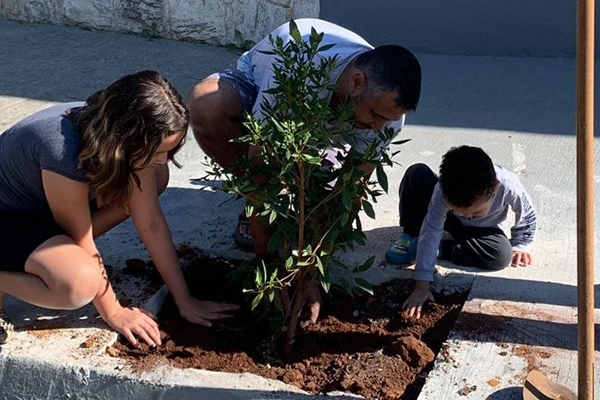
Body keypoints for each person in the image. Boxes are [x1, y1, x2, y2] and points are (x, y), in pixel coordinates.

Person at [187, 18, 422, 323]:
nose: (379, 127)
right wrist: (268, 260)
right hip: (261, 99)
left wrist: (310, 269)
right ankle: (259, 212)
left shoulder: (386, 115)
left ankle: (302, 193)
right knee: (207, 103)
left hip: (324, 135)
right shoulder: (298, 62)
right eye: (375, 115)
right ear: (356, 83)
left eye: (386, 121)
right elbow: (259, 163)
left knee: (318, 206)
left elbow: (351, 190)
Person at [0, 71, 238, 346]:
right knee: (78, 284)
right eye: (159, 151)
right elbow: (83, 239)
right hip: (8, 218)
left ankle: (52, 258)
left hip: (39, 209)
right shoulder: (62, 152)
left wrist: (184, 300)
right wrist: (114, 311)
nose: (164, 159)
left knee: (154, 177)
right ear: (128, 137)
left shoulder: (110, 133)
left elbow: (150, 223)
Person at [386, 146, 537, 319]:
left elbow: (527, 214)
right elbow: (431, 230)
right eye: (462, 211)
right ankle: (410, 234)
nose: (467, 216)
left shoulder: (508, 185)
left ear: (495, 188)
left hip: (481, 230)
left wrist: (521, 244)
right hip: (447, 217)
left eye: (475, 212)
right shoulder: (442, 191)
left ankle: (443, 248)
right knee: (417, 173)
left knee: (501, 255)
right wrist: (422, 286)